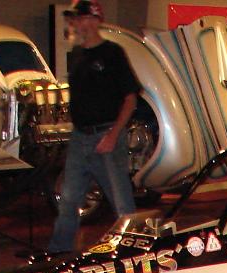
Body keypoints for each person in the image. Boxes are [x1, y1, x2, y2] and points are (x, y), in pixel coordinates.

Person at [49, 0, 141, 254]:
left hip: (106, 133)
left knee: (120, 200)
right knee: (69, 199)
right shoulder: (77, 55)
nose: (77, 24)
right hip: (81, 136)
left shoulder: (112, 53)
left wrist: (113, 135)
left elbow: (130, 99)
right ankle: (59, 252)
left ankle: (134, 249)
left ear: (94, 20)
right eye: (75, 19)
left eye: (81, 18)